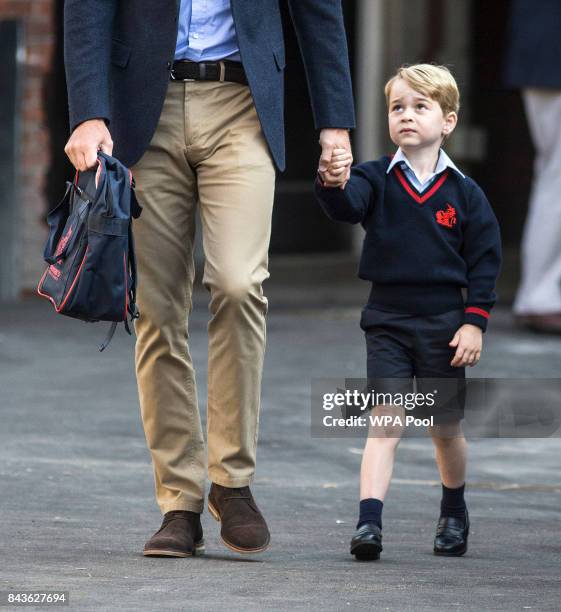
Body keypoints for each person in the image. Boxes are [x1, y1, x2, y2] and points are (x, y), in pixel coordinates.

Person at [63, 0, 355, 557]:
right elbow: (87, 9)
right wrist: (87, 111)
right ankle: (179, 502)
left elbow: (319, 10)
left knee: (240, 283)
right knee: (157, 308)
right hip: (143, 107)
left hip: (243, 102)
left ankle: (231, 481)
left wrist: (334, 123)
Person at [314, 64, 501, 560]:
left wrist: (474, 321)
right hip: (388, 321)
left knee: (444, 429)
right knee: (385, 422)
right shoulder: (375, 177)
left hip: (445, 326)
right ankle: (368, 524)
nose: (407, 116)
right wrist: (333, 181)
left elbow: (485, 263)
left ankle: (454, 510)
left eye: (421, 107)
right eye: (398, 107)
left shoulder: (465, 193)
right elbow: (348, 205)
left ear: (449, 121)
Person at [504, 0, 561, 333]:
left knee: (553, 173)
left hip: (545, 52)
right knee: (557, 175)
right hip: (552, 53)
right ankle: (541, 296)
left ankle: (541, 293)